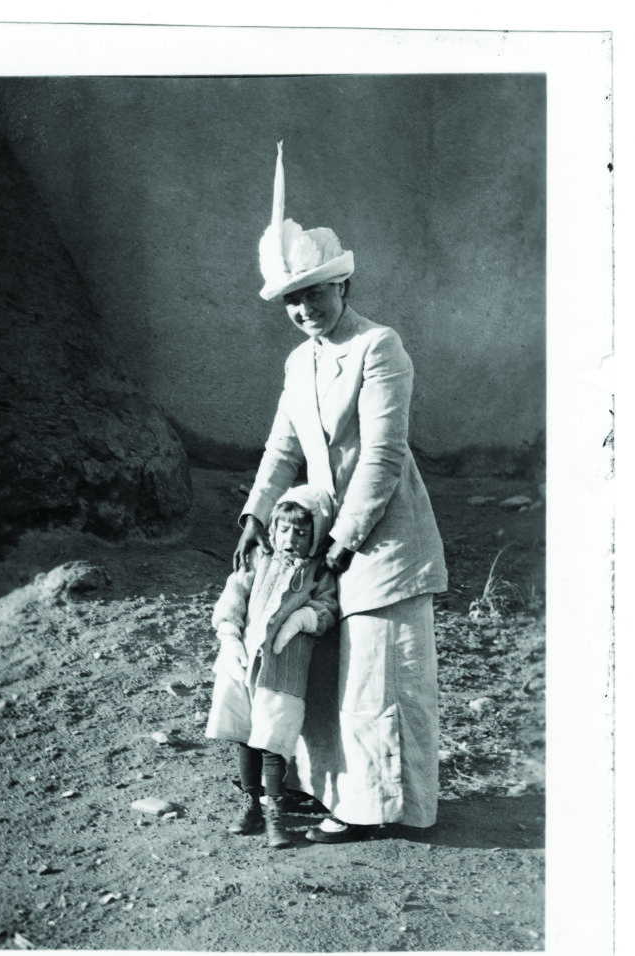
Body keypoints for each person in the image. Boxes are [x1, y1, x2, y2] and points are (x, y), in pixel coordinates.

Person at [235, 141, 448, 844]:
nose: (305, 310)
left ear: (343, 289)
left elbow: (383, 459)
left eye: (316, 294)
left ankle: (377, 809)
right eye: (293, 300)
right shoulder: (300, 363)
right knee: (317, 676)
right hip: (321, 539)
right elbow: (282, 447)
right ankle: (321, 792)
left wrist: (339, 542)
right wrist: (255, 514)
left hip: (382, 539)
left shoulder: (380, 348)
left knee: (376, 680)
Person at [205, 485, 338, 848]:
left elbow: (328, 608)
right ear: (273, 529)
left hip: (285, 667)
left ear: (316, 534)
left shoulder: (318, 571)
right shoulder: (259, 561)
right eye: (283, 529)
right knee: (246, 734)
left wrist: (302, 619)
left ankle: (274, 813)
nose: (290, 538)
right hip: (245, 662)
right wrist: (230, 636)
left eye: (301, 531)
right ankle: (251, 804)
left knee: (273, 740)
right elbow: (234, 595)